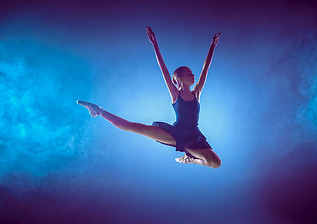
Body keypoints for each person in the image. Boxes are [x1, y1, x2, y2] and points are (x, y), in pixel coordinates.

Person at [77, 27, 221, 168]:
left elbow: (205, 69)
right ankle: (99, 110)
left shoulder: (196, 93)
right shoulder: (175, 94)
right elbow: (163, 68)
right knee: (134, 127)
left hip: (194, 134)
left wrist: (212, 46)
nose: (193, 75)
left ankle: (189, 159)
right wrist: (155, 45)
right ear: (180, 79)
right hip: (176, 134)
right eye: (189, 74)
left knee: (216, 163)